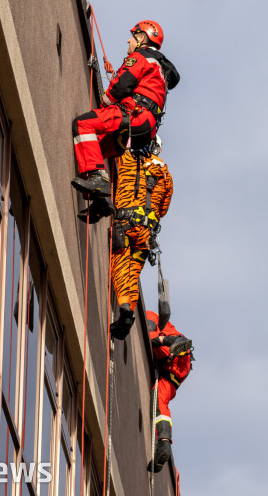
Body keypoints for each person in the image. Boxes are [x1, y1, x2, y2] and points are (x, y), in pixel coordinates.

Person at [71, 20, 179, 198]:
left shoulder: (141, 56)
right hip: (145, 131)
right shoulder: (159, 70)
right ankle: (100, 200)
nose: (129, 42)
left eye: (133, 37)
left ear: (142, 38)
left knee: (83, 124)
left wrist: (104, 102)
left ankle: (98, 179)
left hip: (134, 114)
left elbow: (121, 85)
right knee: (94, 149)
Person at [104, 137, 174, 339]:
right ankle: (127, 313)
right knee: (133, 273)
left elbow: (111, 155)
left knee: (120, 264)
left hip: (126, 224)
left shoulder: (128, 158)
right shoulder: (166, 175)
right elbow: (164, 209)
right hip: (146, 234)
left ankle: (125, 308)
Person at [147, 311, 193, 473]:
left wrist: (167, 340)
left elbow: (152, 333)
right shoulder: (163, 325)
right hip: (173, 376)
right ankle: (164, 442)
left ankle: (175, 343)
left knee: (152, 336)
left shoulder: (154, 320)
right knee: (158, 402)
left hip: (176, 353)